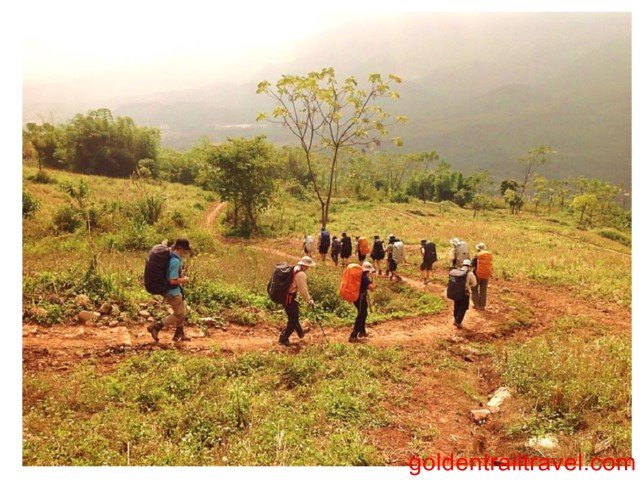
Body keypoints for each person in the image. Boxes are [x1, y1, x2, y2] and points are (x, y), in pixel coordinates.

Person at [147, 238, 192, 342]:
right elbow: (172, 280)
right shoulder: (175, 261)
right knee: (179, 314)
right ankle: (157, 326)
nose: (185, 252)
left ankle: (179, 334)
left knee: (182, 310)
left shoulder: (171, 256)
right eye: (185, 250)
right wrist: (185, 280)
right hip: (173, 292)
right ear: (181, 248)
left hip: (174, 290)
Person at [279, 256, 315, 346]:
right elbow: (303, 290)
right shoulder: (300, 274)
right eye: (308, 266)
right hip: (289, 298)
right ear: (305, 266)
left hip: (286, 297)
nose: (308, 268)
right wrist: (309, 300)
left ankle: (300, 333)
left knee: (294, 316)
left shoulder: (295, 268)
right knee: (293, 320)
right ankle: (283, 339)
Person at [349, 262, 376, 342]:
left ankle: (362, 331)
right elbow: (372, 288)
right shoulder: (364, 278)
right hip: (360, 298)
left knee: (364, 313)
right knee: (361, 315)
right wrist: (373, 278)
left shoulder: (360, 276)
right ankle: (353, 335)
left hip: (357, 297)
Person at [450, 258, 477, 328]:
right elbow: (474, 284)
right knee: (464, 307)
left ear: (463, 264)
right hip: (465, 292)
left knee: (457, 305)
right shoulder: (470, 273)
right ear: (469, 266)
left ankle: (456, 319)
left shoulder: (457, 271)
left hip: (456, 291)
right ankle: (458, 321)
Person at [471, 242, 493, 310]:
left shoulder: (476, 256)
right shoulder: (488, 256)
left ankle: (476, 305)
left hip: (477, 275)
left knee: (474, 288)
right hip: (486, 275)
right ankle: (482, 306)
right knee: (483, 290)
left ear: (478, 249)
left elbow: (472, 264)